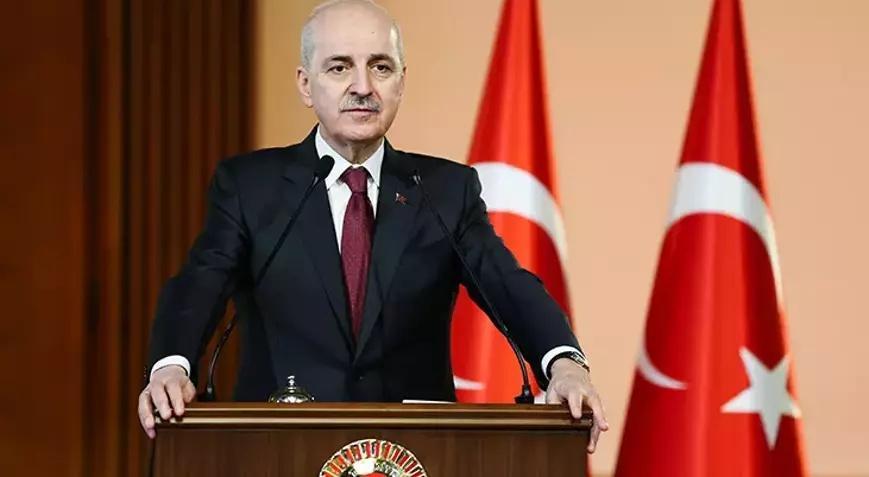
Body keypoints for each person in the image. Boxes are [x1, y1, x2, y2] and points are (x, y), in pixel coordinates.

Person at [138, 0, 608, 453]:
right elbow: (200, 284)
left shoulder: (445, 190)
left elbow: (507, 283)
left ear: (401, 81)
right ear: (306, 85)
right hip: (281, 449)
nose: (362, 86)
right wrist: (171, 366)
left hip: (417, 453)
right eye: (339, 67)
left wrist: (564, 363)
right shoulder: (250, 186)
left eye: (380, 67)